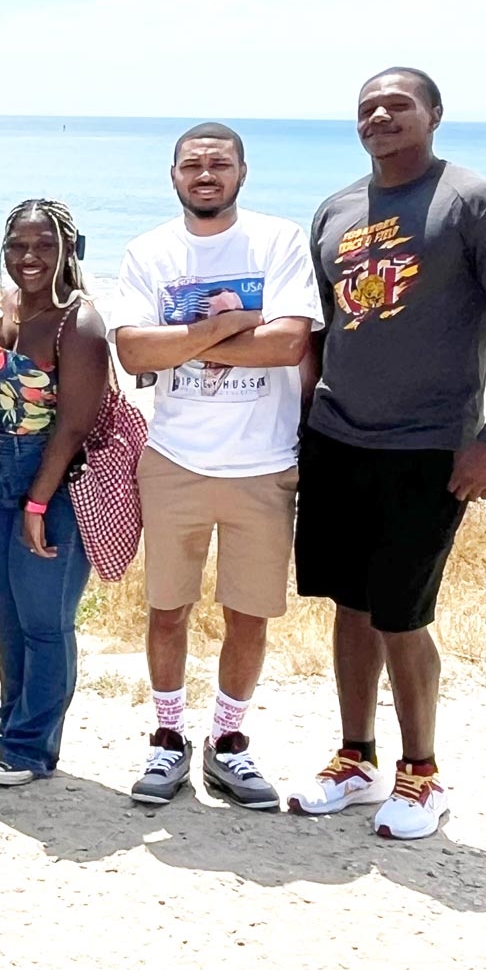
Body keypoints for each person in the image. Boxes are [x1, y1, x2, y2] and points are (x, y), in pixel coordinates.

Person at [288, 67, 486, 839]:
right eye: (367, 107)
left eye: (398, 104)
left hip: (429, 443)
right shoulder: (336, 210)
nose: (380, 115)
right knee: (350, 605)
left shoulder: (478, 203)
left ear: (434, 116)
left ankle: (423, 776)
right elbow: (327, 328)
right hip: (338, 437)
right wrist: (303, 422)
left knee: (403, 616)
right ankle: (356, 759)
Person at [108, 124, 325, 810]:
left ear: (242, 172)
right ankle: (168, 738)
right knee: (167, 610)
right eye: (193, 165)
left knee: (248, 614)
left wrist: (186, 343)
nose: (206, 175)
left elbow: (290, 343)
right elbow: (136, 355)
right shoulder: (149, 252)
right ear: (173, 175)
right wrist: (237, 324)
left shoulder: (279, 241)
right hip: (175, 460)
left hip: (265, 464)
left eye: (219, 164)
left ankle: (227, 743)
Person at [0, 200, 111, 787]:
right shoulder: (4, 313)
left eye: (44, 245)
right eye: (18, 245)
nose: (29, 257)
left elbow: (74, 425)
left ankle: (31, 749)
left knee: (46, 623)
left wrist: (36, 504)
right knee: (6, 617)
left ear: (69, 250)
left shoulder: (80, 322)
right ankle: (8, 727)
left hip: (52, 487)